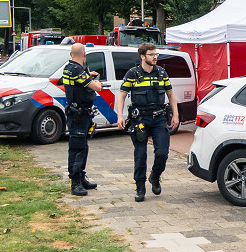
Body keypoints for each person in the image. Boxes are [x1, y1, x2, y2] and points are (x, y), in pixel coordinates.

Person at [116, 43, 179, 202]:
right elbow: (122, 95)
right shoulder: (133, 74)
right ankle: (140, 186)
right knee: (140, 154)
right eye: (151, 54)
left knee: (162, 153)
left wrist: (175, 115)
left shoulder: (162, 73)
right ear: (142, 56)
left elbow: (171, 95)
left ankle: (155, 176)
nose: (155, 57)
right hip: (140, 119)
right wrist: (120, 116)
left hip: (159, 118)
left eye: (156, 54)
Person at [61, 43, 103, 197]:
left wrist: (88, 76)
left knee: (82, 146)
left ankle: (81, 176)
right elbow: (96, 88)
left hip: (80, 113)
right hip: (78, 115)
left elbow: (78, 81)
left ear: (71, 54)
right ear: (84, 55)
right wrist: (96, 82)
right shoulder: (77, 70)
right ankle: (75, 182)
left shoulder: (68, 68)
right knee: (78, 148)